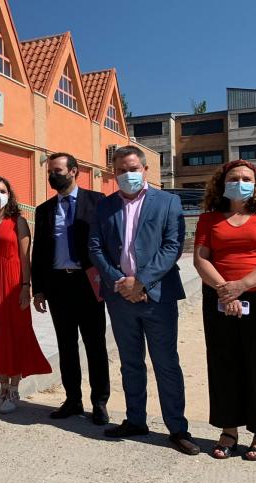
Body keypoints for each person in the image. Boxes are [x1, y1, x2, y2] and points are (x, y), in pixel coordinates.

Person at [88, 145, 200, 455]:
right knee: (130, 363)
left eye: (133, 168)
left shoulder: (168, 202)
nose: (128, 174)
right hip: (120, 296)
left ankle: (177, 428)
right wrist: (119, 281)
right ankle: (136, 420)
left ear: (145, 170)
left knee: (166, 363)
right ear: (114, 173)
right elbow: (95, 247)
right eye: (122, 170)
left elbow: (172, 245)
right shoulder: (105, 206)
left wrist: (141, 282)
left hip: (158, 296)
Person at [193, 160, 256, 461]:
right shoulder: (209, 220)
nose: (240, 182)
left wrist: (241, 286)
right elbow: (201, 259)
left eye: (247, 178)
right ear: (222, 184)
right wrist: (225, 289)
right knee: (224, 365)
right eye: (234, 178)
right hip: (220, 297)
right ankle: (228, 430)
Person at [31, 153, 110, 425]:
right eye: (51, 172)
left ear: (74, 171)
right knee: (66, 345)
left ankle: (99, 402)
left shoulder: (98, 202)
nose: (53, 175)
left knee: (95, 344)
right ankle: (72, 399)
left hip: (88, 282)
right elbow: (38, 252)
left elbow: (110, 243)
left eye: (57, 170)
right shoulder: (44, 210)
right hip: (58, 286)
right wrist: (38, 289)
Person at [0, 176, 51, 414]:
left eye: (3, 190)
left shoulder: (19, 221)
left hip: (13, 285)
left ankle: (15, 389)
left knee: (15, 335)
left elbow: (25, 258)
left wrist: (26, 286)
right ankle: (3, 387)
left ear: (9, 194)